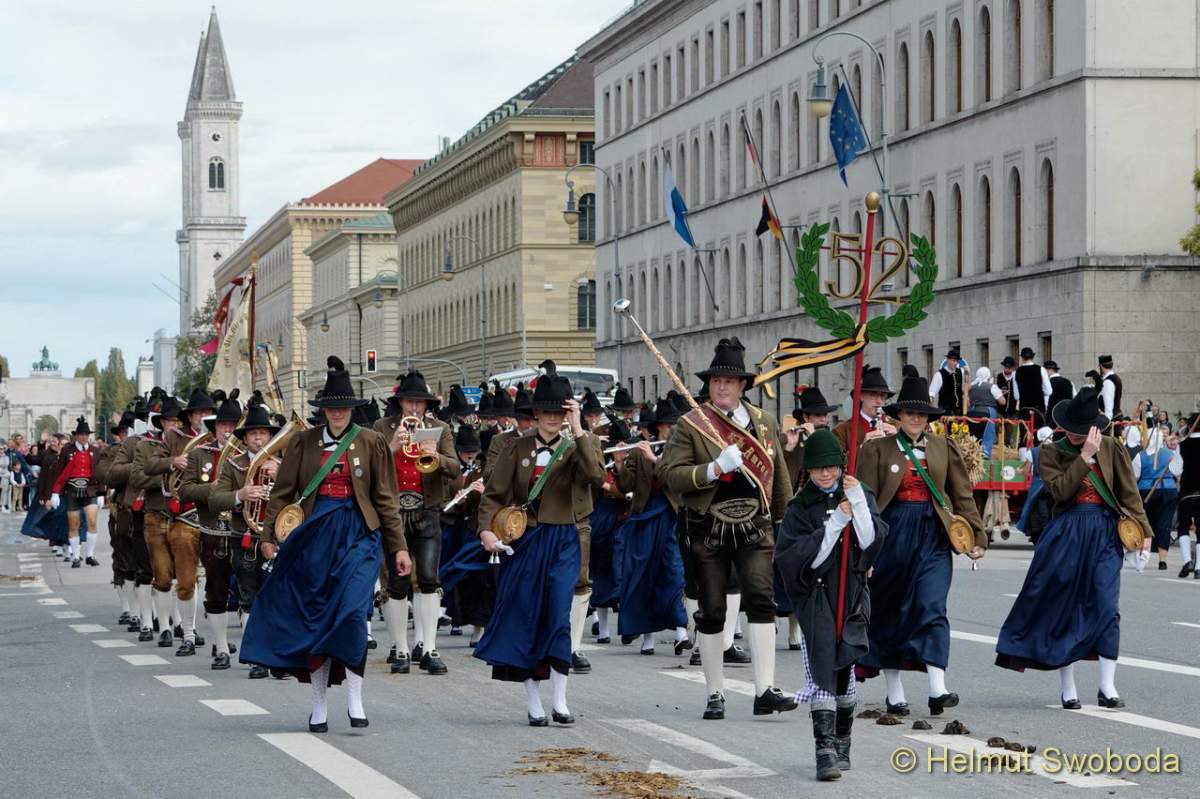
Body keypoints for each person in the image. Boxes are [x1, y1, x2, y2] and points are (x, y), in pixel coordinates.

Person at [241, 356, 412, 732]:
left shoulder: (371, 442)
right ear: (323, 410)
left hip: (359, 536)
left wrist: (398, 547)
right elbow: (282, 494)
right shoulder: (303, 443)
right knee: (317, 620)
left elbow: (386, 499)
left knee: (352, 615)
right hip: (314, 538)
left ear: (352, 409)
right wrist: (268, 536)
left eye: (343, 407)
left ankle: (355, 697)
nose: (337, 413)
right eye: (331, 407)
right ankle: (318, 704)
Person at [657, 337, 797, 720]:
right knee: (713, 609)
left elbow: (779, 479)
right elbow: (669, 474)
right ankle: (715, 693)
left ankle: (764, 690)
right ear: (709, 384)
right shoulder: (692, 424)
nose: (722, 387)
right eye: (717, 380)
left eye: (730, 381)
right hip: (708, 527)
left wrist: (785, 523)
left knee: (761, 600)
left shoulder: (764, 423)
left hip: (754, 525)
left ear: (742, 385)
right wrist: (713, 469)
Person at [995, 388, 1152, 708]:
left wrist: (1145, 533)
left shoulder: (1112, 447)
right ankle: (1068, 686)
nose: (1075, 434)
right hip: (1066, 532)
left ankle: (1107, 686)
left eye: (1081, 430)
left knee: (1107, 605)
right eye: (1071, 428)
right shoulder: (1050, 452)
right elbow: (1061, 492)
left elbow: (1129, 493)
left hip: (1105, 531)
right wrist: (1084, 457)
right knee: (1064, 604)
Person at [474, 362, 604, 726]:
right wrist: (486, 531)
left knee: (558, 615)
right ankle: (534, 701)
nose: (551, 418)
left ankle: (560, 700)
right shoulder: (516, 448)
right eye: (546, 411)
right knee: (526, 617)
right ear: (535, 414)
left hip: (564, 539)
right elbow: (494, 495)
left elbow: (595, 476)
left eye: (559, 411)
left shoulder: (580, 444)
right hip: (525, 539)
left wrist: (579, 429)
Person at [855, 376, 986, 716]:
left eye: (922, 413)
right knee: (889, 610)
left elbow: (962, 495)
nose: (916, 418)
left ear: (929, 418)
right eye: (910, 412)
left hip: (933, 533)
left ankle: (937, 688)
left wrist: (977, 535)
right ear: (899, 415)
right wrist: (865, 550)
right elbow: (864, 503)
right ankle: (894, 692)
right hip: (891, 534)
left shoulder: (943, 448)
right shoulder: (876, 449)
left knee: (932, 605)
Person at [775, 429, 887, 782]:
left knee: (846, 665)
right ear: (808, 469)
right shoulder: (799, 507)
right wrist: (836, 522)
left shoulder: (858, 492)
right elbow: (799, 559)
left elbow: (871, 542)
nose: (826, 474)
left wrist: (859, 506)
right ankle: (824, 750)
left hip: (851, 592)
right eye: (818, 468)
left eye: (831, 467)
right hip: (818, 596)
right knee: (823, 665)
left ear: (841, 465)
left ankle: (843, 741)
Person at [373, 370, 459, 676]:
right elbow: (371, 467)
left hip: (427, 511)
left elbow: (455, 470)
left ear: (426, 405)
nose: (413, 408)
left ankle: (429, 647)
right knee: (396, 582)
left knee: (428, 578)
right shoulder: (382, 428)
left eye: (419, 403)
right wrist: (393, 446)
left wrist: (436, 455)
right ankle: (400, 649)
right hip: (393, 513)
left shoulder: (440, 429)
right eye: (409, 402)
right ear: (400, 403)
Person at [206, 397, 278, 675]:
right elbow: (215, 500)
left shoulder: (282, 463)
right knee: (249, 596)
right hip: (244, 536)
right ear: (245, 438)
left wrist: (281, 473)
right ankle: (256, 657)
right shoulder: (233, 465)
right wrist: (240, 494)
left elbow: (300, 496)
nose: (258, 438)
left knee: (275, 596)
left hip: (276, 536)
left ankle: (275, 655)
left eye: (263, 433)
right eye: (253, 434)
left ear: (270, 436)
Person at [612, 394, 689, 655]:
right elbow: (626, 485)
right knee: (643, 575)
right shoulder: (640, 450)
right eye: (668, 426)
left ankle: (681, 631)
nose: (672, 429)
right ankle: (648, 636)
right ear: (659, 427)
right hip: (644, 518)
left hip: (670, 517)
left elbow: (677, 480)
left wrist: (656, 460)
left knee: (673, 572)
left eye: (675, 425)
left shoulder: (682, 451)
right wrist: (620, 461)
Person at [588, 420, 632, 644]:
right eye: (618, 445)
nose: (621, 450)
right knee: (600, 574)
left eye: (625, 445)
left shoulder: (634, 463)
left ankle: (629, 626)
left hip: (624, 521)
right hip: (601, 521)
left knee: (624, 573)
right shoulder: (601, 463)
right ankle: (603, 630)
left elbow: (631, 490)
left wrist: (621, 469)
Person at [95, 411, 136, 622]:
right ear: (120, 434)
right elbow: (106, 475)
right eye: (125, 431)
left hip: (148, 508)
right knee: (122, 558)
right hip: (122, 509)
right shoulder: (110, 452)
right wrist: (135, 466)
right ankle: (127, 607)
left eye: (131, 431)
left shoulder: (151, 447)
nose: (127, 435)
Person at [48, 417, 104, 568]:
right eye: (81, 434)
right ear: (76, 435)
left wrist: (101, 494)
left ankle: (90, 555)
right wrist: (55, 492)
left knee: (92, 521)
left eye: (86, 434)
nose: (84, 437)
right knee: (74, 524)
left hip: (90, 490)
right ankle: (76, 557)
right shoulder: (67, 450)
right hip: (72, 490)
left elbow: (100, 473)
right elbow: (60, 472)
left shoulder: (95, 451)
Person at [1132, 430, 1182, 571]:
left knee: (1145, 523)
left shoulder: (1140, 456)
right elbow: (1178, 472)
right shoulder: (1171, 454)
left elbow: (1134, 476)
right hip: (1168, 490)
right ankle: (1162, 560)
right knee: (1165, 524)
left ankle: (1143, 555)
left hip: (1146, 491)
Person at [784, 385, 839, 492]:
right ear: (805, 417)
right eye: (818, 415)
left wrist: (814, 437)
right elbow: (778, 468)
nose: (823, 419)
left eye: (825, 414)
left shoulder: (831, 438)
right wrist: (788, 448)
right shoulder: (790, 438)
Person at [833, 367, 896, 457]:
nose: (879, 401)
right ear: (861, 396)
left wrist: (899, 441)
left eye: (883, 396)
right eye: (873, 395)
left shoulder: (897, 426)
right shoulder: (841, 431)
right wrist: (862, 447)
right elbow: (840, 463)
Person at [1177, 413, 1200, 578]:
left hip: (1186, 492)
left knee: (1183, 526)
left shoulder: (1183, 445)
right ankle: (1199, 567)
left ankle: (1187, 561)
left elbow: (1175, 469)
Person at [966, 367, 1005, 458]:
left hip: (972, 412)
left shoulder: (971, 386)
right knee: (988, 433)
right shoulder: (992, 387)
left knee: (974, 435)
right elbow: (1002, 401)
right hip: (987, 412)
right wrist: (1001, 393)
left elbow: (967, 400)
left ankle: (972, 454)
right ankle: (985, 454)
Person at [1012, 347, 1052, 428]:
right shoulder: (1041, 369)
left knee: (1025, 432)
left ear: (1021, 357)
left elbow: (1016, 396)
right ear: (1032, 357)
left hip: (1024, 408)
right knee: (1039, 431)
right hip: (1038, 407)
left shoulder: (1016, 372)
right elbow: (1049, 391)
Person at [928, 349, 966, 415]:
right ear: (948, 360)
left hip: (959, 412)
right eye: (953, 361)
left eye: (957, 361)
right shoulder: (939, 374)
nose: (955, 363)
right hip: (945, 412)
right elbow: (931, 394)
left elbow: (967, 383)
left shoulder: (961, 372)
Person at [1098, 355, 1122, 422]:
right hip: (1114, 419)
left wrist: (1107, 422)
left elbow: (1108, 409)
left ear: (1101, 366)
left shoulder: (1107, 382)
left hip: (1110, 421)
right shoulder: (1116, 378)